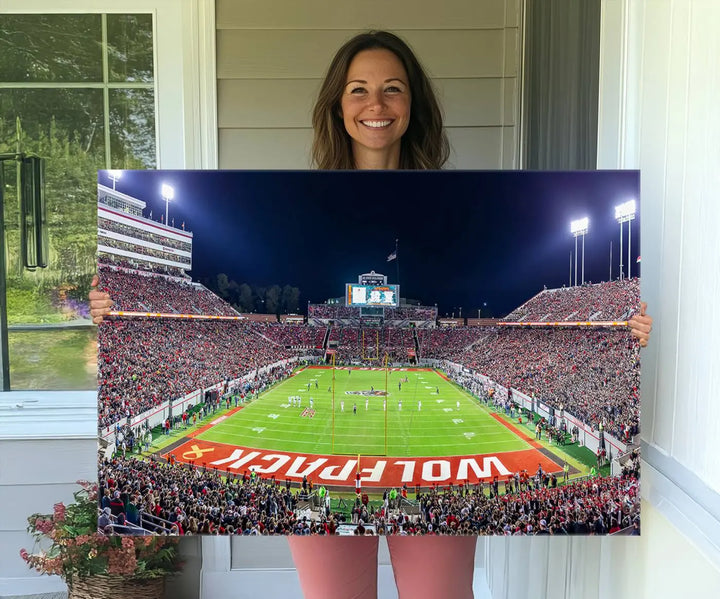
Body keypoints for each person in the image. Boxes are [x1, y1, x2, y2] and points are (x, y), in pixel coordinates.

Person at [86, 28, 654, 599]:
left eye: (393, 89)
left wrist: (620, 332)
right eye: (358, 89)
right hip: (322, 481)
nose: (375, 104)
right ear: (337, 104)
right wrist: (116, 314)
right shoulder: (303, 196)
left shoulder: (449, 195)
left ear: (414, 104)